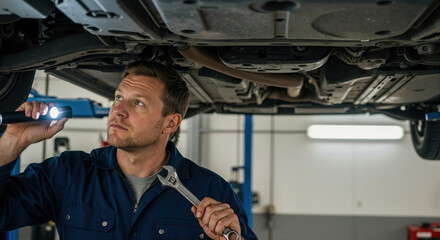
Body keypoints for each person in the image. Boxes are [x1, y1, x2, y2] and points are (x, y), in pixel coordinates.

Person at [0, 60, 257, 240]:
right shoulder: (68, 174)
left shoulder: (211, 191)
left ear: (171, 123)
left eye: (138, 103)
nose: (118, 111)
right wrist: (11, 142)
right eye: (119, 98)